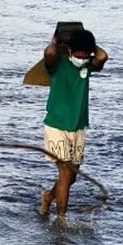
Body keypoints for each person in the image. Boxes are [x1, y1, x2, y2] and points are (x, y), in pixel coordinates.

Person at [38, 28, 108, 218]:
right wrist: (56, 41)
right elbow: (49, 53)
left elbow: (103, 56)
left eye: (86, 55)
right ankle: (61, 219)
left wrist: (90, 45)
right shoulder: (58, 64)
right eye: (79, 54)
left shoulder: (87, 67)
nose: (82, 58)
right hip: (56, 126)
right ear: (69, 51)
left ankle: (48, 197)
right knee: (66, 172)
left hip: (78, 127)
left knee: (71, 177)